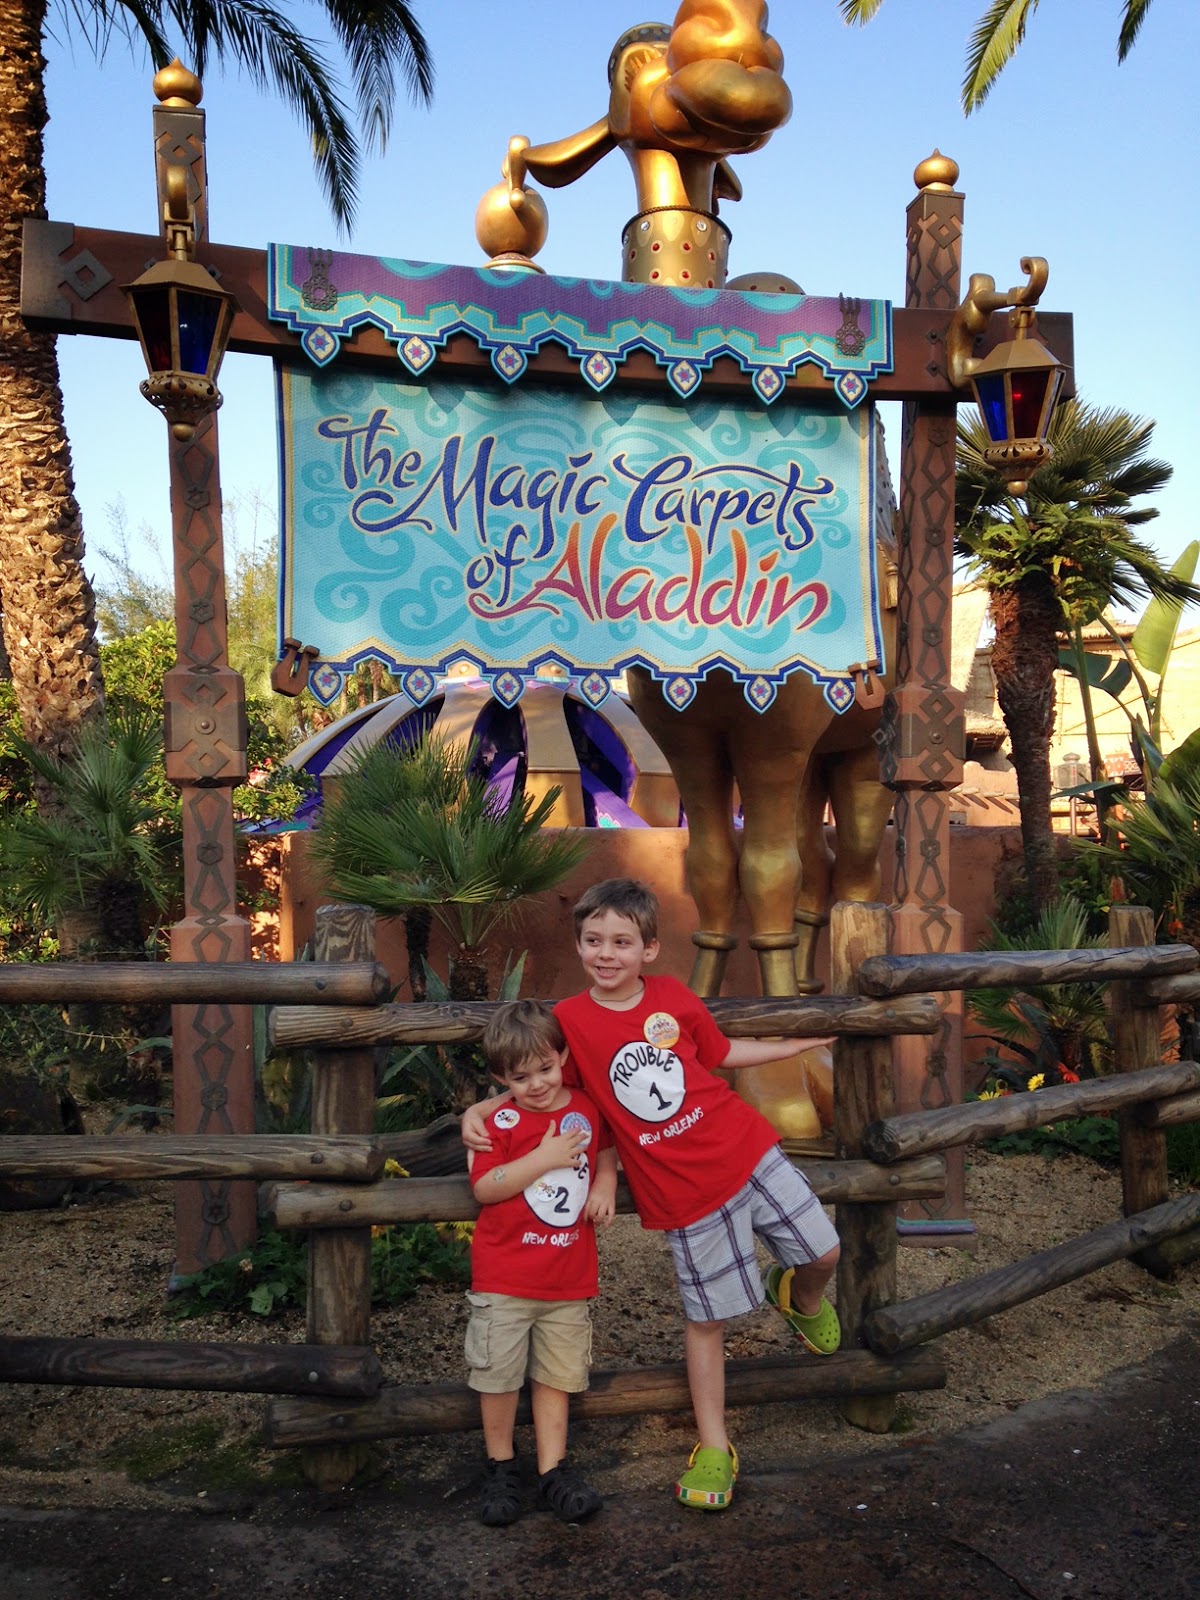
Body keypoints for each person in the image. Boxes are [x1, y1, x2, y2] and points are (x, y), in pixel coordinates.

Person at [463, 879, 840, 1513]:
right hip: (683, 1192)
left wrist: (795, 1045)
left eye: (621, 942)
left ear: (649, 948)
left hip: (745, 1147)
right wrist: (481, 1107)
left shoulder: (673, 997)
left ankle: (796, 1296)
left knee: (825, 1252)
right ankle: (714, 1445)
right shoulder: (572, 1021)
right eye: (593, 941)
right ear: (579, 944)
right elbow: (540, 1076)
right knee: (708, 1319)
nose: (606, 954)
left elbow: (720, 1052)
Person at [466, 999, 618, 1526]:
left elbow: (604, 1151)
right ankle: (500, 1466)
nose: (537, 1084)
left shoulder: (586, 1107)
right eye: (520, 1077)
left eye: (546, 1069)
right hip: (504, 1276)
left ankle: (553, 1468)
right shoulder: (498, 1122)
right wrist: (543, 1159)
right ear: (500, 1079)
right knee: (498, 1376)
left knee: (557, 1377)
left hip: (566, 1278)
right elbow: (486, 1186)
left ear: (563, 1057)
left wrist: (605, 1183)